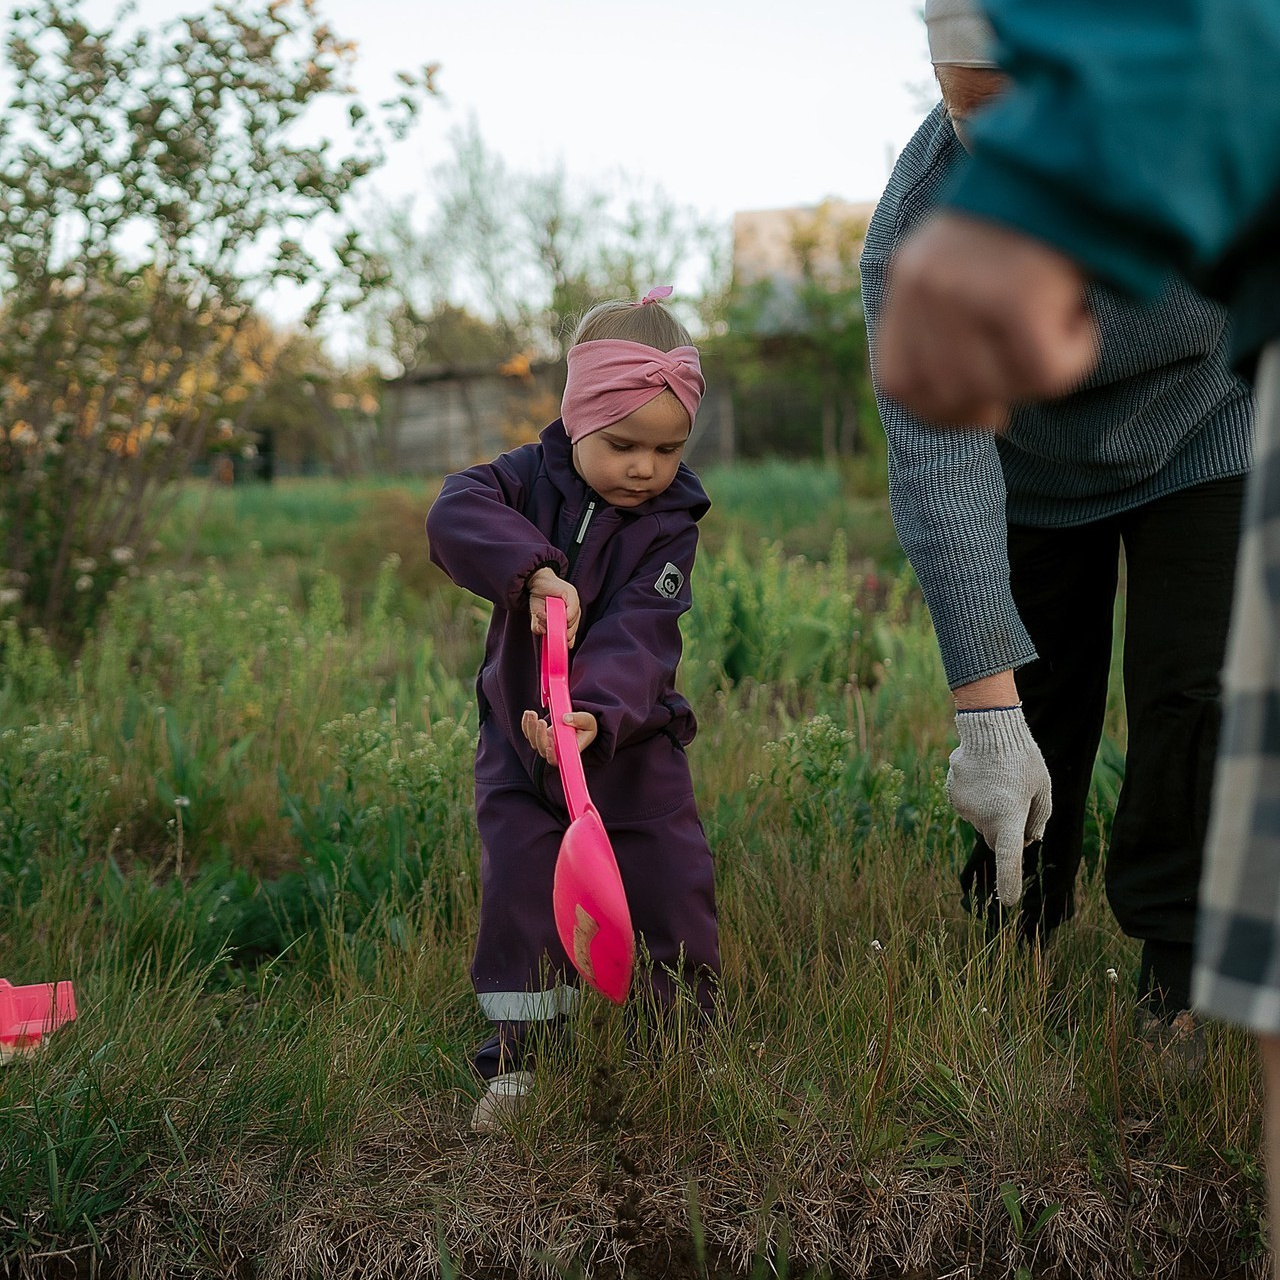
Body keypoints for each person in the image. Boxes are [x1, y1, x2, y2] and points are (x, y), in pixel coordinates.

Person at [870, 0, 1280, 1266]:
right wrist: (983, 713)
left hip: (1202, 428)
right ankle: (1007, 951)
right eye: (962, 114)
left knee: (1196, 697)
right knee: (1030, 715)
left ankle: (1173, 967)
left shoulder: (1212, 121)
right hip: (1025, 470)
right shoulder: (921, 225)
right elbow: (937, 468)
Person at [426, 287, 721, 1133]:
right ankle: (521, 1068)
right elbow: (454, 513)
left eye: (667, 450)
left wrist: (591, 712)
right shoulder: (521, 481)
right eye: (623, 444)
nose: (644, 469)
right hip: (521, 741)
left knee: (671, 885)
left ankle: (677, 1053)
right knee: (522, 888)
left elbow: (642, 632)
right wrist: (531, 569)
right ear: (576, 419)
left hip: (631, 744)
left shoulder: (669, 525)